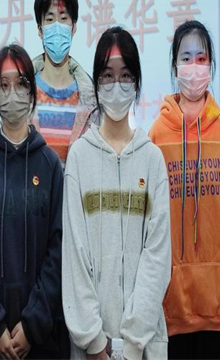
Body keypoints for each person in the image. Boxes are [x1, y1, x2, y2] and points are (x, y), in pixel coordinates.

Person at [63, 27, 171, 360]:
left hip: (145, 345)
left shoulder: (152, 159)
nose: (117, 85)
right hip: (91, 347)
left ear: (136, 84)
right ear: (96, 83)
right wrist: (95, 342)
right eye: (108, 76)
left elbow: (157, 255)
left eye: (125, 76)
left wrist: (133, 343)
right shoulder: (79, 157)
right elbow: (74, 257)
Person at [0, 44, 65, 360]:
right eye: (3, 85)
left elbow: (59, 250)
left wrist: (32, 326)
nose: (12, 93)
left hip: (41, 339)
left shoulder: (50, 165)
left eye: (20, 83)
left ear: (32, 92)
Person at [148, 21, 220, 359]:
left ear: (211, 65)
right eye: (186, 58)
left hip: (217, 300)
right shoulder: (157, 134)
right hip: (172, 302)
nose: (193, 67)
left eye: (201, 58)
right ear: (174, 65)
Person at [31, 0, 97, 163]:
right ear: (40, 29)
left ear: (74, 27)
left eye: (63, 18)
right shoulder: (22, 93)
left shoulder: (92, 99)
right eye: (50, 19)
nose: (57, 26)